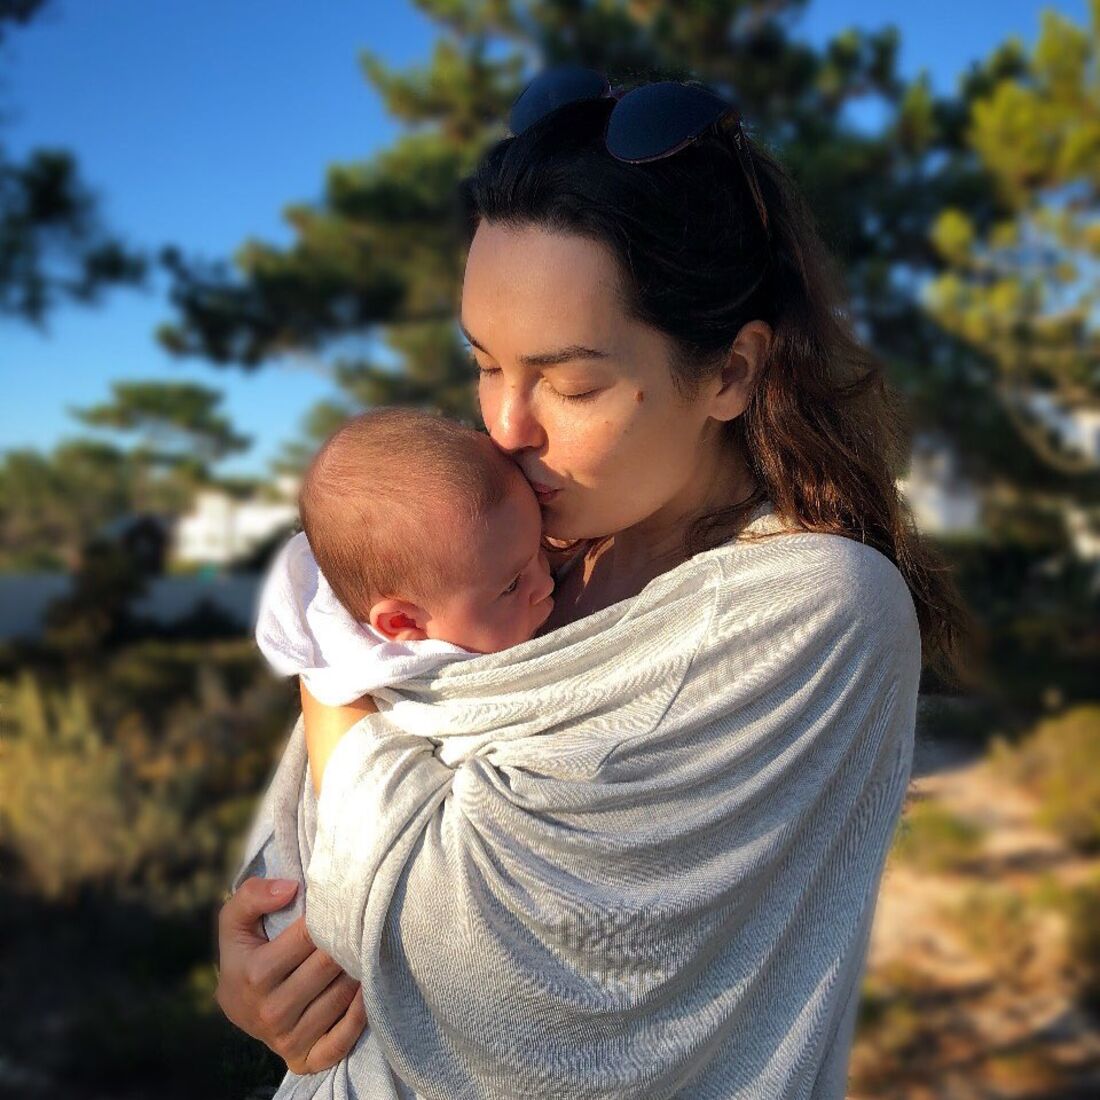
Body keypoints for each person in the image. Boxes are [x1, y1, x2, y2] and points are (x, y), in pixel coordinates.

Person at [215, 68, 967, 1098]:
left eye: (569, 384)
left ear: (731, 373)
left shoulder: (812, 608)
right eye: (485, 363)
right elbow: (308, 844)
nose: (504, 427)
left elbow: (495, 980)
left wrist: (329, 669)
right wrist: (259, 958)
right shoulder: (511, 543)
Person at [255, 407, 556, 755]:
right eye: (512, 585)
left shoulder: (473, 576)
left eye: (540, 547)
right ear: (403, 622)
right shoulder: (399, 683)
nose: (546, 584)